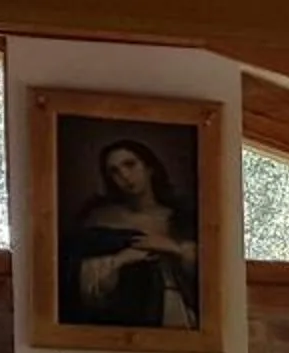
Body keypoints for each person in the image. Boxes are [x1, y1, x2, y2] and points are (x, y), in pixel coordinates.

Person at [62, 138, 199, 328]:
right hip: (121, 316)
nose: (124, 176)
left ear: (149, 167)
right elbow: (74, 275)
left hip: (170, 309)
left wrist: (172, 248)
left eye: (130, 165)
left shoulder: (180, 217)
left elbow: (208, 273)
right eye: (114, 171)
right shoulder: (98, 219)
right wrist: (120, 261)